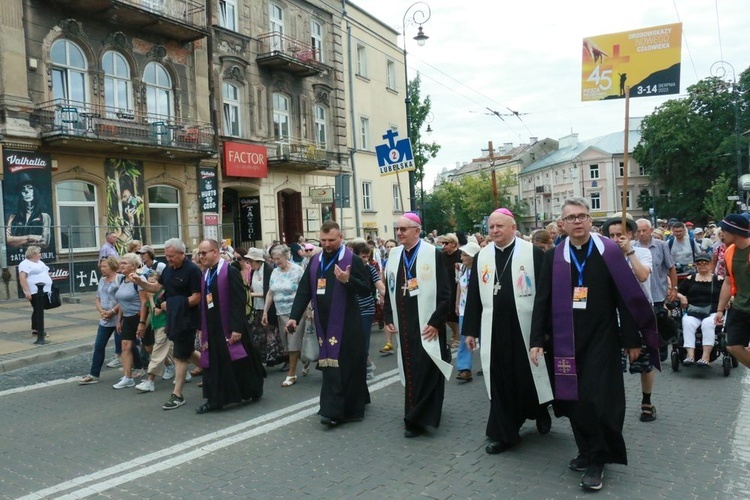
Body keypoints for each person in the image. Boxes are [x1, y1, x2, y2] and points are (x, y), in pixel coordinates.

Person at [530, 197, 659, 492]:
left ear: (590, 221)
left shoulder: (609, 252)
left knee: (598, 400)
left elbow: (624, 298)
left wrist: (630, 340)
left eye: (582, 216)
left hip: (602, 338)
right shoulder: (555, 255)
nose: (578, 221)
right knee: (573, 399)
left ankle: (598, 459)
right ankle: (586, 450)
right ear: (561, 223)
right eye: (571, 217)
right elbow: (543, 299)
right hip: (566, 339)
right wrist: (537, 339)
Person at [463, 208, 552, 454]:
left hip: (525, 329)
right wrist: (470, 330)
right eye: (491, 227)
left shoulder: (532, 253)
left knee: (528, 378)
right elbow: (473, 297)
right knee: (500, 381)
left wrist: (544, 330)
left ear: (513, 228)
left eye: (500, 226)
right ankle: (505, 434)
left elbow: (545, 294)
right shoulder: (482, 257)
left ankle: (541, 411)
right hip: (494, 330)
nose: (494, 231)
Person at [287, 221, 372, 426]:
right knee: (333, 368)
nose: (327, 244)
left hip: (348, 323)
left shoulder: (352, 260)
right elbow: (304, 291)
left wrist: (347, 280)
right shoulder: (315, 261)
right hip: (323, 323)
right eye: (323, 240)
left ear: (340, 237)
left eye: (331, 240)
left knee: (345, 366)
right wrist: (294, 316)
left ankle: (335, 412)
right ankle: (340, 404)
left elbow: (366, 289)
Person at [383, 213, 453, 438]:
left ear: (417, 230)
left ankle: (417, 419)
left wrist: (436, 322)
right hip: (404, 324)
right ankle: (414, 413)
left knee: (426, 370)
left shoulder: (434, 254)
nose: (399, 233)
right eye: (398, 229)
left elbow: (445, 293)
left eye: (404, 229)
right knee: (411, 370)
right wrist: (387, 317)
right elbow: (388, 289)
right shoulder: (394, 255)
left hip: (427, 324)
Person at [192, 240, 265, 413]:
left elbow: (238, 301)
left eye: (204, 253)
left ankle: (253, 389)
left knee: (240, 361)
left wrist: (237, 328)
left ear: (215, 252)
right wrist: (202, 328)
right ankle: (215, 399)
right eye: (200, 254)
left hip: (231, 326)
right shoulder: (206, 274)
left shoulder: (230, 271)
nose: (201, 257)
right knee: (216, 364)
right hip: (213, 328)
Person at [133, 238, 202, 410]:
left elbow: (197, 297)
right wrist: (140, 282)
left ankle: (177, 394)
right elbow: (158, 288)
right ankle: (213, 370)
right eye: (166, 256)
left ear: (181, 254)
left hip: (188, 318)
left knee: (179, 355)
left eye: (172, 256)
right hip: (173, 317)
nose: (168, 259)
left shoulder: (192, 270)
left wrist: (172, 304)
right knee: (187, 351)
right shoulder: (169, 269)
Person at [605, 217, 659, 423]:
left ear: (630, 235)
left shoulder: (642, 252)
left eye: (620, 235)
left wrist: (629, 252)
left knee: (644, 363)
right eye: (612, 235)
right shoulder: (605, 256)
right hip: (615, 317)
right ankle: (612, 403)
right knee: (612, 364)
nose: (616, 239)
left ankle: (647, 402)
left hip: (640, 313)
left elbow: (643, 275)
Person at [262, 245, 304, 386]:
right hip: (280, 312)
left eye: (278, 258)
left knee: (293, 342)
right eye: (274, 259)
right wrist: (265, 311)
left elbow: (305, 291)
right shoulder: (274, 272)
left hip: (296, 313)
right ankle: (304, 359)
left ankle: (291, 374)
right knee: (286, 343)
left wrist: (309, 309)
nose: (276, 261)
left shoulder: (297, 270)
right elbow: (270, 292)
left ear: (286, 256)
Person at [78, 257, 123, 384]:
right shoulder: (102, 280)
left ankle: (137, 366)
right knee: (99, 345)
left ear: (112, 266)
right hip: (105, 319)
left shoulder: (119, 279)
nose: (102, 269)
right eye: (101, 266)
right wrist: (101, 311)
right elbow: (97, 298)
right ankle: (94, 374)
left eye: (105, 266)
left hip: (119, 318)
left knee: (125, 346)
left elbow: (123, 299)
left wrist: (112, 311)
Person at [715, 215, 750, 369]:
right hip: (740, 306)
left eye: (724, 230)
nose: (721, 234)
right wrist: (719, 310)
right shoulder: (730, 251)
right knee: (733, 346)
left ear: (734, 231)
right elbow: (728, 282)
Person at [678, 254, 722, 367]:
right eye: (699, 263)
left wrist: (727, 302)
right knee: (687, 322)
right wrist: (682, 297)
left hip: (712, 312)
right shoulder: (690, 278)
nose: (702, 265)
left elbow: (728, 294)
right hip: (694, 311)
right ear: (695, 265)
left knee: (707, 324)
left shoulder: (718, 279)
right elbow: (677, 292)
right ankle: (690, 355)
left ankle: (705, 357)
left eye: (705, 262)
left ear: (711, 264)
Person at [350, 241, 385, 380]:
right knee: (353, 340)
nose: (365, 260)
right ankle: (367, 363)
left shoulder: (370, 269)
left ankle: (365, 367)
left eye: (367, 257)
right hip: (351, 309)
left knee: (363, 340)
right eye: (362, 257)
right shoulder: (349, 269)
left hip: (366, 308)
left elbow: (379, 285)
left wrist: (386, 294)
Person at [134, 272, 174, 392]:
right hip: (157, 326)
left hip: (164, 325)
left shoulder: (162, 294)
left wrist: (151, 299)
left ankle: (150, 380)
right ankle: (185, 372)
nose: (150, 285)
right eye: (148, 282)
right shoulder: (149, 294)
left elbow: (156, 311)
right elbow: (150, 315)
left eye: (153, 282)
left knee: (157, 351)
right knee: (174, 351)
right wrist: (143, 327)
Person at [112, 253, 146, 389]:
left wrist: (142, 323)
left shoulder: (139, 279)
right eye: (121, 263)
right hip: (127, 317)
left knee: (150, 346)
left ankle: (170, 365)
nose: (121, 265)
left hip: (139, 316)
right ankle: (128, 377)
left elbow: (144, 302)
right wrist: (119, 321)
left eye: (124, 263)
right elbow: (121, 302)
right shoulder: (121, 279)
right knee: (125, 346)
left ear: (133, 266)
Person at [245, 248, 284, 366]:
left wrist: (252, 294)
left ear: (258, 261)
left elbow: (270, 291)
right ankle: (263, 358)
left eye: (251, 261)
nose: (249, 264)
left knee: (272, 334)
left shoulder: (268, 271)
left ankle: (280, 358)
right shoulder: (253, 272)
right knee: (258, 334)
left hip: (268, 308)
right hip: (257, 308)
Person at [454, 241, 480, 383]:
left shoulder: (481, 269)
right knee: (464, 337)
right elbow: (459, 285)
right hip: (465, 309)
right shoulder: (462, 268)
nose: (462, 257)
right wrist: (457, 302)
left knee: (484, 338)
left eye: (465, 254)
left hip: (480, 310)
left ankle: (488, 364)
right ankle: (465, 369)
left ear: (473, 257)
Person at [5, 173, 51, 251]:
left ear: (35, 191)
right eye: (23, 189)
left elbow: (44, 242)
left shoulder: (44, 217)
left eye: (30, 188)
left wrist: (17, 241)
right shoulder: (12, 217)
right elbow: (7, 240)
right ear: (20, 193)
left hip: (35, 256)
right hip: (17, 258)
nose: (26, 191)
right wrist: (29, 237)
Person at [18, 246, 53, 337]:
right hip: (34, 291)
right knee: (38, 309)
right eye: (38, 253)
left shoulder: (40, 262)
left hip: (44, 290)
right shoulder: (25, 264)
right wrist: (27, 291)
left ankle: (36, 329)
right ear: (32, 254)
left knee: (39, 309)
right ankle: (38, 330)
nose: (40, 255)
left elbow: (46, 271)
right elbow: (22, 278)